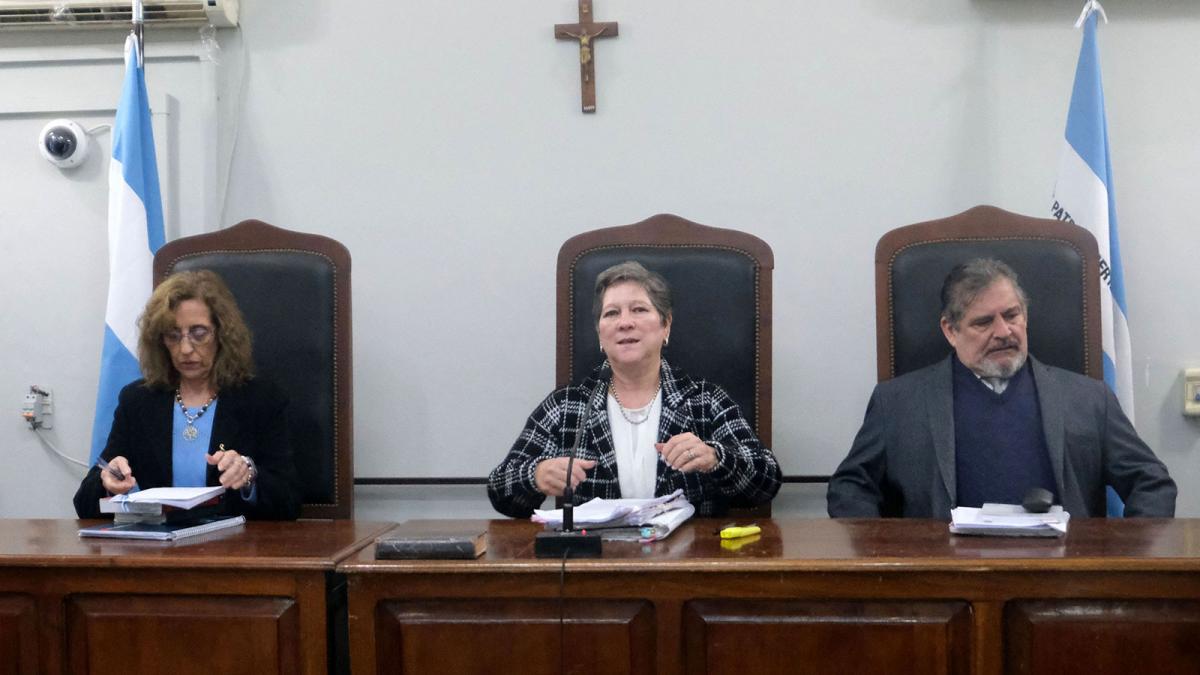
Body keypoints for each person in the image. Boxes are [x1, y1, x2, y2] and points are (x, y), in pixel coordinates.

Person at [827, 258, 1176, 518]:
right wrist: (887, 559)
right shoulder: (898, 403)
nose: (1004, 332)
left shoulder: (1088, 399)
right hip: (944, 583)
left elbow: (1152, 483)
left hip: (1061, 579)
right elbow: (850, 487)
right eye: (983, 322)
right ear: (950, 330)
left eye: (1012, 315)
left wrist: (1121, 558)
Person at [488, 261, 782, 518]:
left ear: (665, 326)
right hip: (593, 566)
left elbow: (766, 480)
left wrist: (716, 458)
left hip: (690, 564)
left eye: (639, 310)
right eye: (612, 313)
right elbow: (500, 491)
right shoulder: (568, 406)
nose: (625, 323)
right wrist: (535, 476)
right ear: (600, 334)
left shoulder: (704, 401)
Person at [74, 270, 302, 520]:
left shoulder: (261, 399)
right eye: (173, 335)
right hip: (159, 549)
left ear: (222, 334)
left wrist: (248, 477)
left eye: (199, 333)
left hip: (235, 549)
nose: (185, 349)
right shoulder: (138, 401)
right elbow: (83, 504)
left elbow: (289, 503)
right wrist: (107, 481)